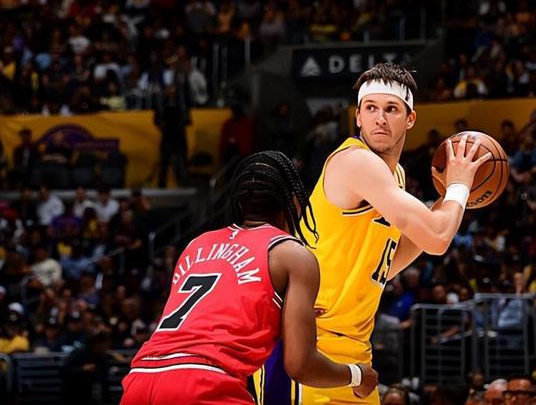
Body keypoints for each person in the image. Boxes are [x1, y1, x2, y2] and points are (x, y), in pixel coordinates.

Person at [262, 62, 491, 404]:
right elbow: (439, 239)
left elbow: (385, 265)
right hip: (308, 345)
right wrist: (459, 187)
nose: (379, 118)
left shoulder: (395, 176)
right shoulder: (356, 162)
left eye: (391, 109)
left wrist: (446, 199)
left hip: (354, 351)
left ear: (410, 118)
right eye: (370, 108)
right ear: (357, 116)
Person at [120, 151, 378, 405]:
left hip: (140, 378)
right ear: (295, 200)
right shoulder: (290, 253)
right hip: (205, 381)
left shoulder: (196, 245)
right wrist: (357, 375)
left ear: (239, 201)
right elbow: (300, 365)